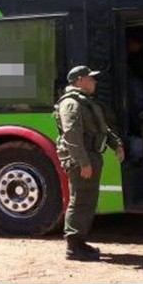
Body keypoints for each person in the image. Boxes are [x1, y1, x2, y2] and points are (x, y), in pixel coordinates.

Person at [53, 65, 126, 261]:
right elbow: (72, 135)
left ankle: (80, 242)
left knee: (88, 200)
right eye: (90, 78)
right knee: (80, 201)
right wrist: (83, 162)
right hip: (82, 158)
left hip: (91, 156)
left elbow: (101, 128)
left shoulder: (84, 101)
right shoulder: (71, 103)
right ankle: (73, 247)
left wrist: (116, 144)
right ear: (79, 80)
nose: (94, 81)